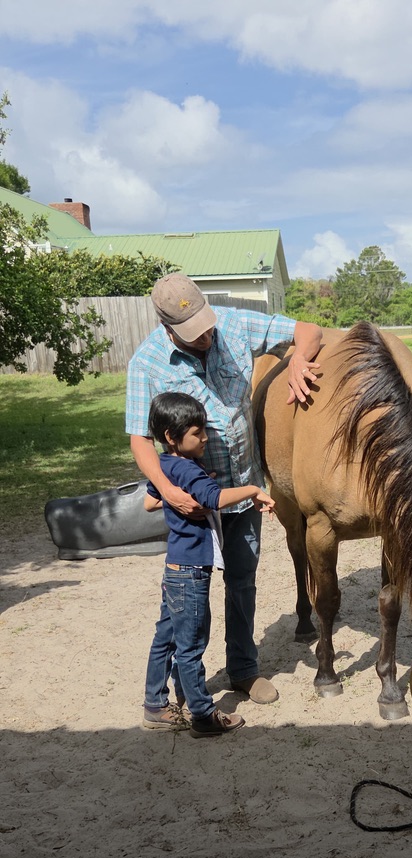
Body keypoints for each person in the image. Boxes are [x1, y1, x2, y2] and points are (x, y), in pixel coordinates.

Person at [126, 274, 323, 706]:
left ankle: (243, 669)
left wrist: (297, 359)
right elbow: (139, 438)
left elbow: (309, 331)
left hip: (241, 489)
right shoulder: (147, 364)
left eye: (206, 324)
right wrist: (166, 490)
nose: (207, 336)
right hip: (191, 502)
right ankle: (177, 685)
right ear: (167, 327)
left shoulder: (233, 325)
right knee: (185, 594)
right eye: (194, 333)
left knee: (242, 581)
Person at [142, 392, 276, 737]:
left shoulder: (166, 466)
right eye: (198, 433)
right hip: (191, 571)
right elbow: (216, 498)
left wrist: (185, 494)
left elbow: (148, 503)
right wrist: (250, 490)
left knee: (166, 637)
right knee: (191, 644)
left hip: (173, 567)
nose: (205, 438)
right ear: (173, 437)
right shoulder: (188, 470)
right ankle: (203, 715)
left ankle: (155, 704)